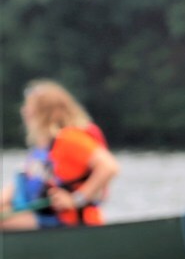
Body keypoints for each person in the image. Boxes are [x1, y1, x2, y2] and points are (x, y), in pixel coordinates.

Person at [4, 81, 119, 231]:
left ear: (45, 113)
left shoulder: (69, 138)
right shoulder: (41, 149)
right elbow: (18, 186)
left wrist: (75, 200)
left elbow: (109, 167)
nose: (24, 111)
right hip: (45, 218)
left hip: (70, 222)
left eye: (29, 107)